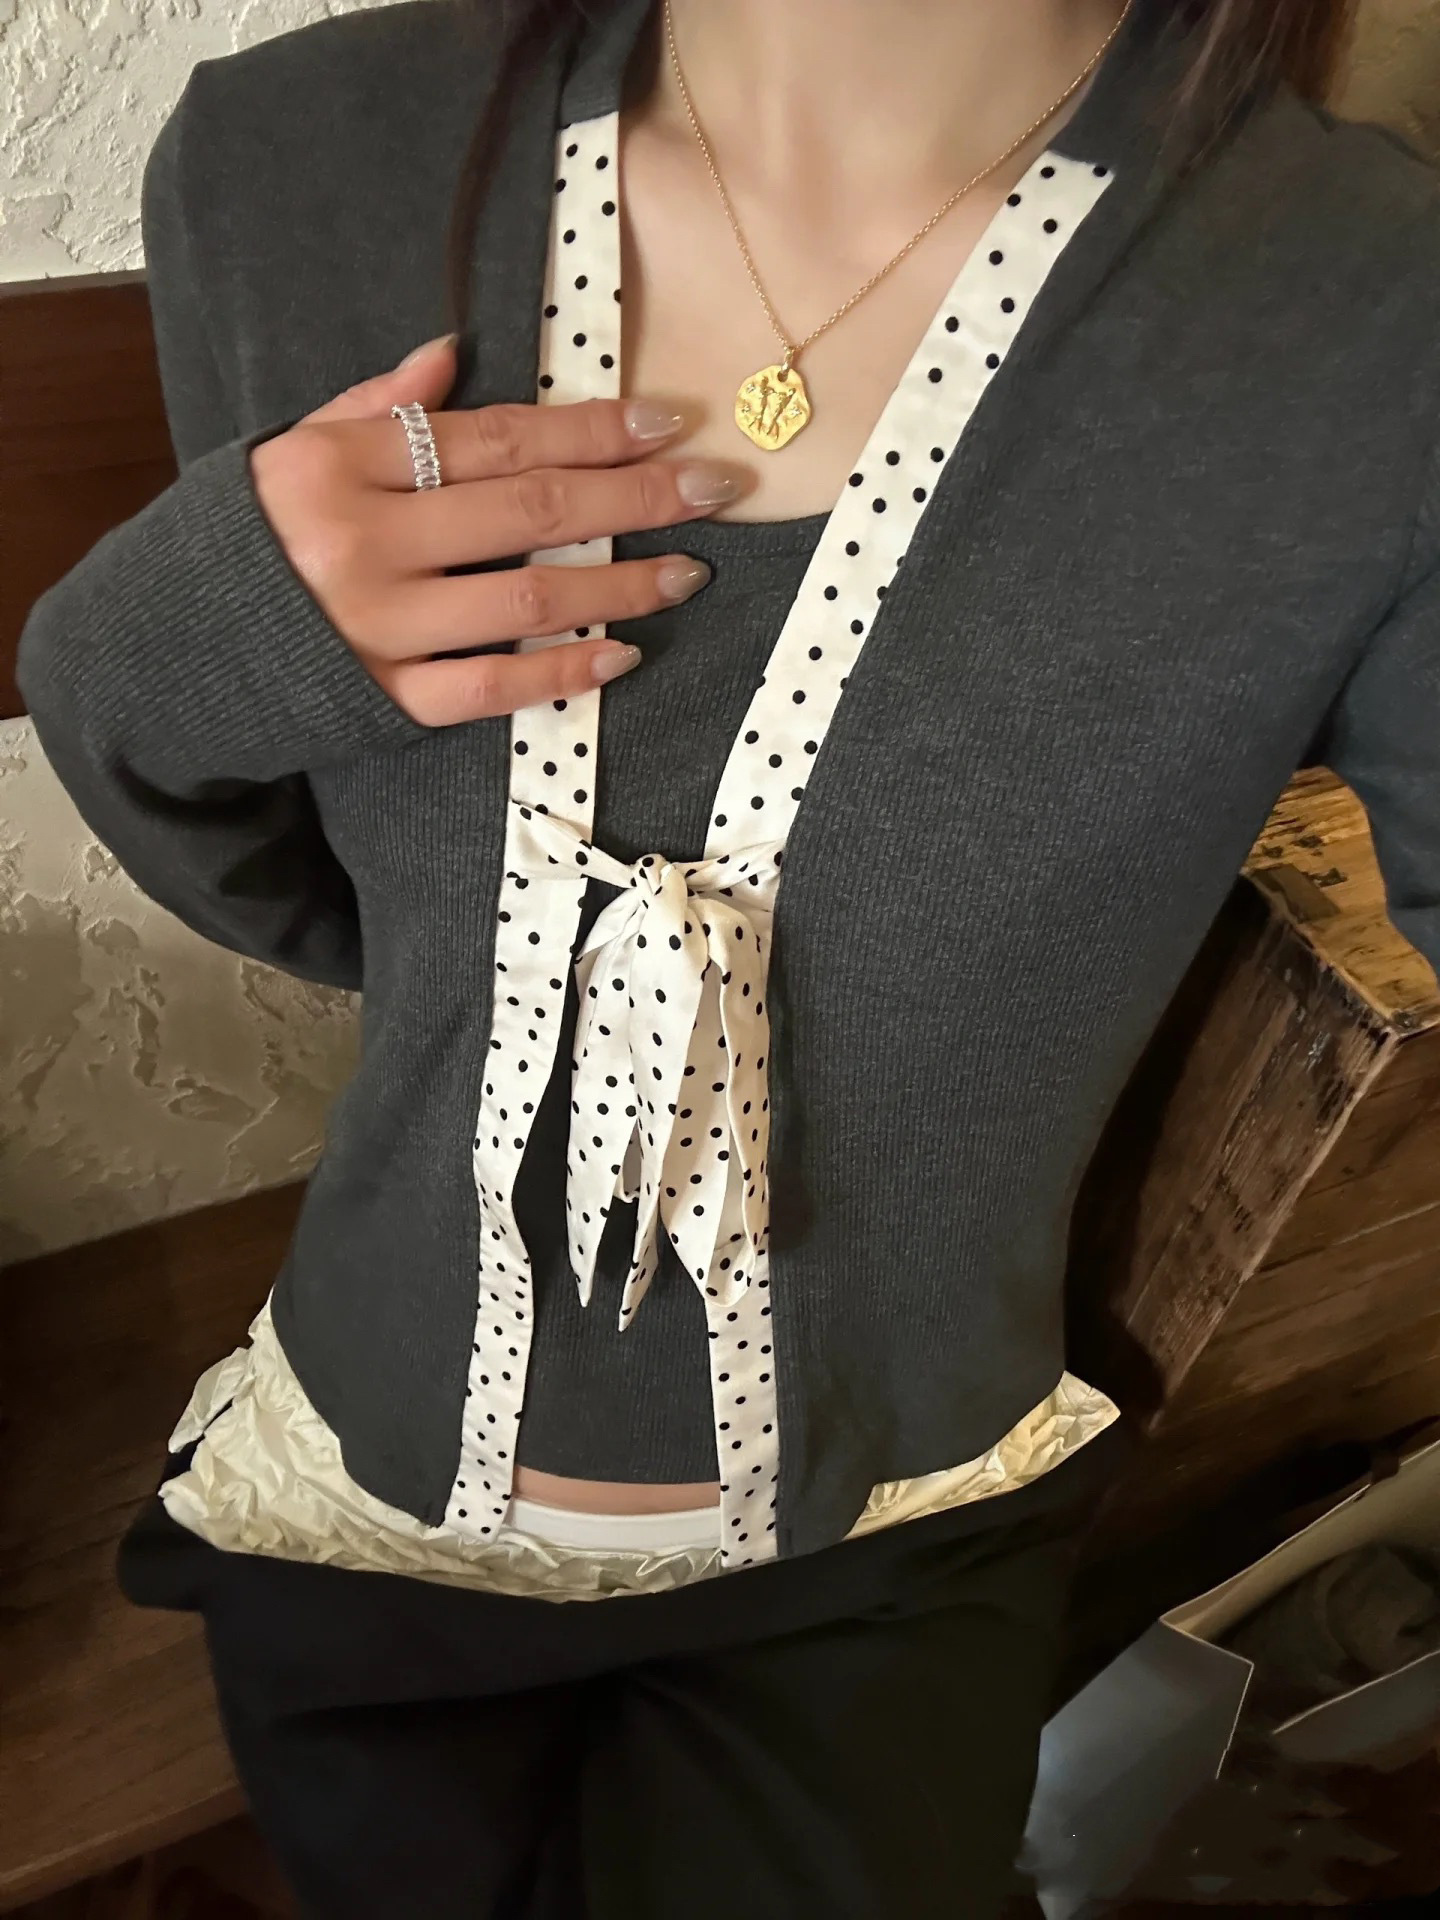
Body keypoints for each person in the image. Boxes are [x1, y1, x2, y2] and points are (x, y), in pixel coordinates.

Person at [16, 0, 1440, 1913]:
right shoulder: (294, 159)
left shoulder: (1378, 319)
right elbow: (329, 901)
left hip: (894, 1540)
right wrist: (144, 647)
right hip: (353, 1530)